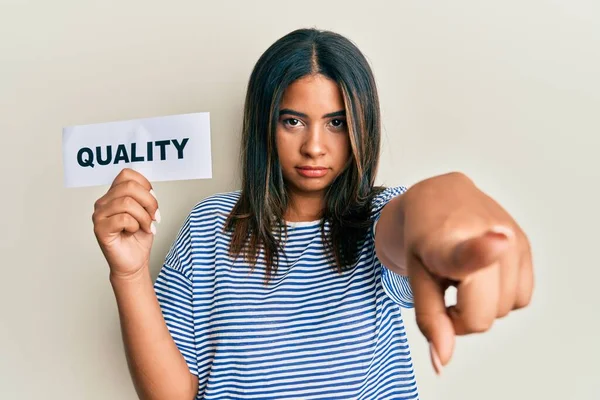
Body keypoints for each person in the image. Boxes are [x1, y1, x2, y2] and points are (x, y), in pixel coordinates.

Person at [92, 28, 534, 400]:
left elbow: (407, 223)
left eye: (337, 122)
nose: (315, 146)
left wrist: (440, 199)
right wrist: (128, 275)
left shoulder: (376, 217)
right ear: (265, 123)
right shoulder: (210, 224)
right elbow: (171, 394)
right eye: (293, 121)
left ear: (364, 125)